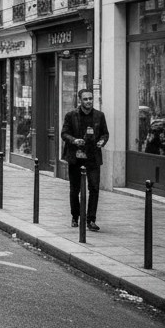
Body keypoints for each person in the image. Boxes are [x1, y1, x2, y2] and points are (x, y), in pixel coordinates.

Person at [61, 89, 109, 231]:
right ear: (80, 100)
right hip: (76, 156)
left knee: (94, 188)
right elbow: (64, 134)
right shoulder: (71, 115)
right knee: (75, 189)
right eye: (85, 99)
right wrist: (75, 140)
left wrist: (102, 141)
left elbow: (105, 134)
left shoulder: (99, 116)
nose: (88, 101)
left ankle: (91, 220)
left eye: (90, 99)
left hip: (93, 157)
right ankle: (75, 216)